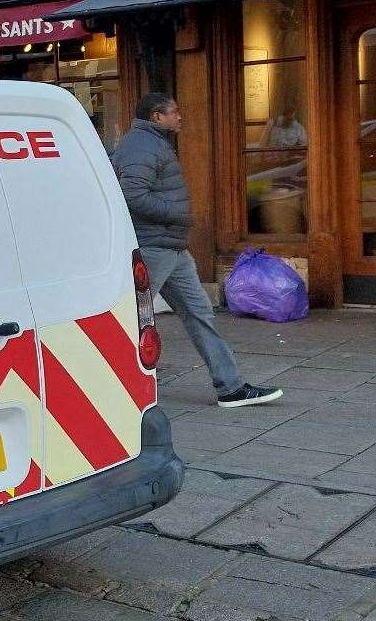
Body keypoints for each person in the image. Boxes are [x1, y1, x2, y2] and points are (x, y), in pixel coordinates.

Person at [112, 94, 283, 409]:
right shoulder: (142, 146)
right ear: (157, 116)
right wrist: (177, 214)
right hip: (154, 247)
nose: (180, 116)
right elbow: (132, 195)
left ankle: (230, 388)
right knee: (131, 320)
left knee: (200, 313)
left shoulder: (154, 143)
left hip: (172, 248)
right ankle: (109, 388)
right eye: (174, 111)